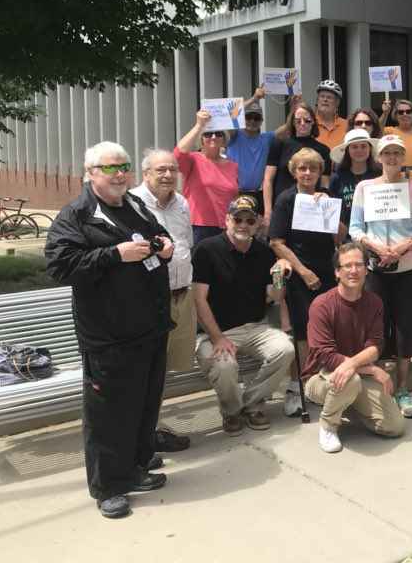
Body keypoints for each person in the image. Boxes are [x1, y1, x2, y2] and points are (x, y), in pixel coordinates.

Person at [45, 142, 175, 519]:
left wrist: (162, 245)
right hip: (108, 334)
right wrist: (114, 254)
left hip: (149, 327)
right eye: (110, 168)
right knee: (108, 415)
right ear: (90, 173)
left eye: (124, 166)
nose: (120, 174)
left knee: (143, 405)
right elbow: (60, 266)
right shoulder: (77, 214)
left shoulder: (132, 205)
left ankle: (135, 467)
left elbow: (154, 235)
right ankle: (108, 487)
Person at [191, 196, 295, 435]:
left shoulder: (264, 251)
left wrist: (279, 273)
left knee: (285, 349)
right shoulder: (206, 250)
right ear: (227, 220)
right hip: (214, 332)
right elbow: (198, 300)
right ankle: (231, 411)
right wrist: (217, 338)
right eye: (237, 219)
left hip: (255, 327)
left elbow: (275, 297)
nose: (243, 225)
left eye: (249, 220)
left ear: (258, 223)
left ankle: (251, 404)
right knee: (225, 366)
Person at [348, 134, 412, 418]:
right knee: (375, 329)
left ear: (404, 157)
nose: (393, 158)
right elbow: (355, 228)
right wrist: (373, 246)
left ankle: (403, 390)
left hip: (409, 269)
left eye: (398, 153)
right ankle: (378, 389)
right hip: (375, 269)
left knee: (406, 329)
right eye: (387, 153)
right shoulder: (364, 188)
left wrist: (402, 247)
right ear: (379, 157)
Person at [303, 242, 405, 453]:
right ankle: (329, 425)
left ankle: (347, 403)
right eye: (347, 265)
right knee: (350, 378)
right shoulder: (321, 305)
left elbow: (376, 346)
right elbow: (324, 356)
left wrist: (356, 366)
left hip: (356, 376)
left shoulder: (375, 302)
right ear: (337, 272)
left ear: (367, 270)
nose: (354, 270)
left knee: (395, 427)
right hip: (320, 378)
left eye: (359, 264)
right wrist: (370, 369)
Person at [131, 149, 195, 456]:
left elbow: (185, 243)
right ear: (146, 174)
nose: (168, 175)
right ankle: (143, 435)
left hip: (183, 294)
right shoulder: (133, 204)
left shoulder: (181, 202)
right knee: (147, 368)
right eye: (160, 170)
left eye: (172, 169)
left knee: (165, 368)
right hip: (151, 300)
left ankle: (151, 429)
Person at [268, 148, 339, 417]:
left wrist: (328, 210)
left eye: (313, 168)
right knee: (302, 334)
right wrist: (303, 271)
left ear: (320, 172)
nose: (307, 173)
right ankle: (295, 387)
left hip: (327, 271)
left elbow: (339, 237)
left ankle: (318, 384)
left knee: (327, 329)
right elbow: (276, 241)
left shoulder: (327, 197)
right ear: (294, 171)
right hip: (300, 274)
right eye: (302, 168)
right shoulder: (286, 199)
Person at [174, 110, 239, 244]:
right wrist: (199, 126)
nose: (213, 137)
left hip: (227, 225)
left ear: (224, 139)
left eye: (218, 134)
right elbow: (178, 154)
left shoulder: (233, 165)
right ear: (201, 140)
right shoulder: (193, 159)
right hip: (199, 227)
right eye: (208, 134)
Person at [263, 104, 331, 225]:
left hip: (311, 208)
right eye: (298, 120)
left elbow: (325, 182)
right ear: (292, 123)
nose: (302, 123)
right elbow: (268, 179)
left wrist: (325, 197)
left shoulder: (323, 150)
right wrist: (268, 211)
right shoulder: (279, 144)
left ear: (313, 122)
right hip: (282, 206)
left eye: (307, 120)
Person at [224, 89, 273, 211]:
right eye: (248, 117)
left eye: (256, 118)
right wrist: (254, 98)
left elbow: (288, 129)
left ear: (261, 121)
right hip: (233, 193)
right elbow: (231, 118)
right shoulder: (234, 135)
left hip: (257, 195)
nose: (252, 121)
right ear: (242, 118)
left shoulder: (266, 138)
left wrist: (295, 107)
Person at [328, 129, 381, 230]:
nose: (359, 150)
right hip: (346, 236)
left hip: (376, 234)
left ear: (370, 149)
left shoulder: (379, 174)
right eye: (354, 147)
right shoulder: (337, 177)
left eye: (363, 146)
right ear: (347, 150)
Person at [379, 98, 412, 177]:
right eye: (400, 112)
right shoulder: (389, 132)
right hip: (396, 179)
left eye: (408, 111)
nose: (405, 114)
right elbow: (376, 129)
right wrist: (385, 113)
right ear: (396, 115)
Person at [313, 79, 349, 150]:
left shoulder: (347, 125)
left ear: (337, 102)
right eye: (322, 96)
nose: (325, 100)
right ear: (317, 100)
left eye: (329, 97)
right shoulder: (309, 123)